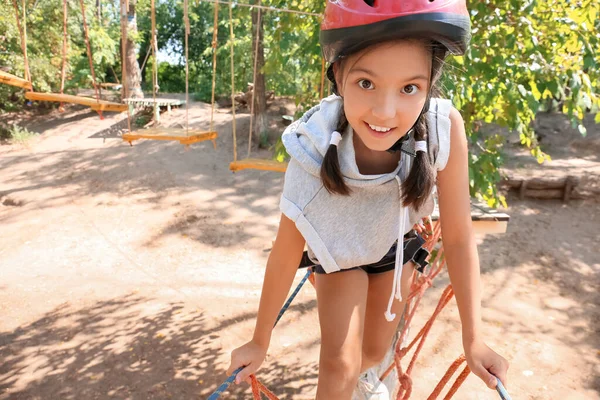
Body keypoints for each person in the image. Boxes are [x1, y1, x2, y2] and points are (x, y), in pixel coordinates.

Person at [227, 0, 509, 398]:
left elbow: (460, 238)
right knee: (339, 362)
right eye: (366, 83)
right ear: (337, 75)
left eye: (409, 88)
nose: (385, 110)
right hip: (338, 250)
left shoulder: (443, 128)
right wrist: (259, 340)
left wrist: (473, 338)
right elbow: (285, 253)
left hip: (395, 247)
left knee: (374, 351)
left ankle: (362, 383)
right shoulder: (312, 149)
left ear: (430, 84)